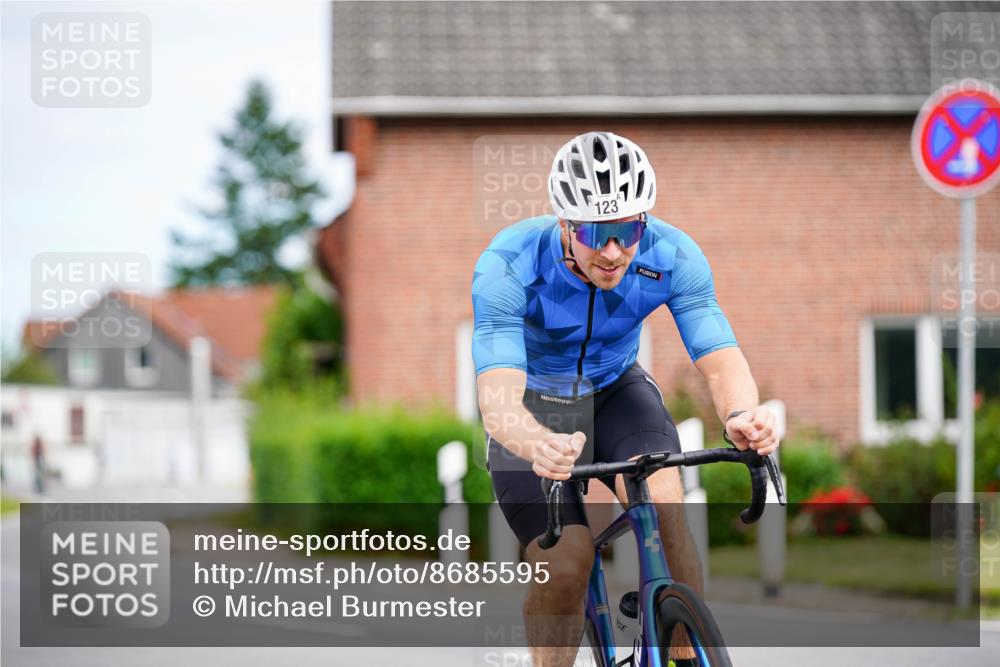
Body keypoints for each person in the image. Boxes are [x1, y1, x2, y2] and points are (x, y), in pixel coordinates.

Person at [471, 131, 780, 667]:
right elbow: (498, 402)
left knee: (665, 501)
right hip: (534, 409)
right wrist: (537, 442)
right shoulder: (508, 265)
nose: (613, 252)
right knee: (567, 561)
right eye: (595, 232)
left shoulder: (674, 254)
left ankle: (682, 656)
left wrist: (741, 416)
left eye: (628, 230)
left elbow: (720, 356)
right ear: (565, 224)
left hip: (617, 389)